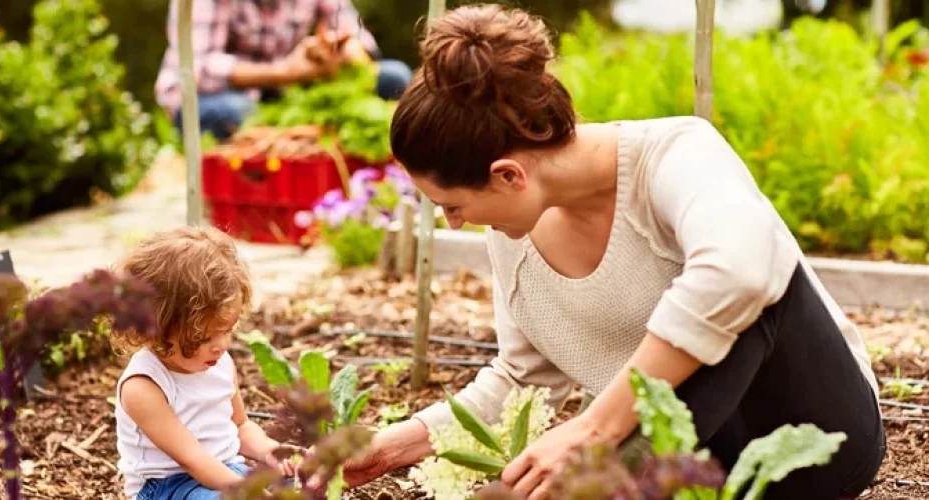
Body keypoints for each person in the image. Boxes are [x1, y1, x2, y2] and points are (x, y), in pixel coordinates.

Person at [339, 4, 887, 499]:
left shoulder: (677, 154)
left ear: (508, 174)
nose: (451, 219)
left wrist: (594, 428)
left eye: (452, 205)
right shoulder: (512, 230)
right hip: (687, 471)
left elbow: (741, 273)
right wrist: (394, 443)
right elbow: (522, 378)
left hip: (817, 444)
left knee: (748, 278)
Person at [113, 226, 297, 499]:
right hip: (167, 487)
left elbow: (240, 427)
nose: (221, 345)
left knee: (305, 485)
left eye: (227, 330)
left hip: (226, 471)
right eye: (202, 337)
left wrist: (269, 451)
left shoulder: (220, 363)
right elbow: (194, 460)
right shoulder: (143, 386)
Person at [154, 0, 413, 140]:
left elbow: (354, 32)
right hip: (213, 97)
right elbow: (196, 69)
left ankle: (301, 134)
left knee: (395, 78)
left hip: (289, 91)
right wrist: (286, 72)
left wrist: (340, 50)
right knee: (237, 112)